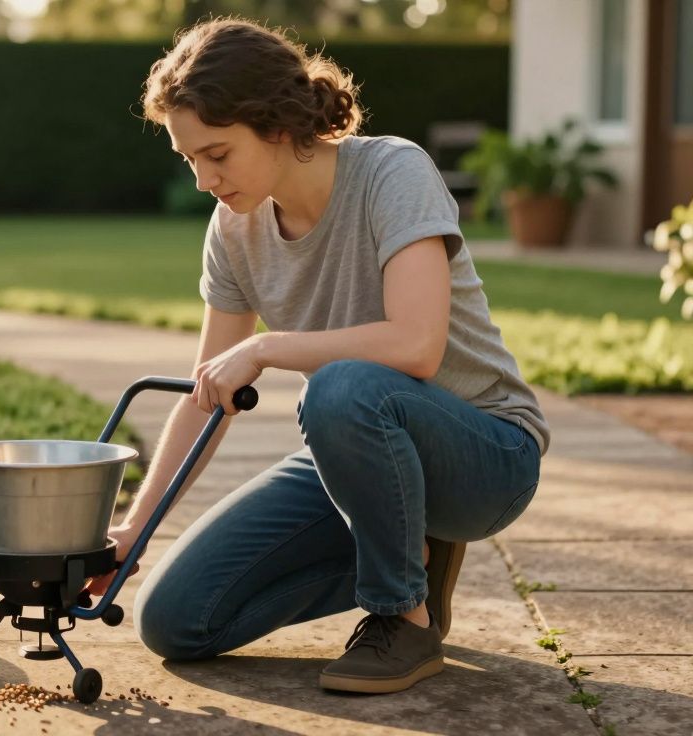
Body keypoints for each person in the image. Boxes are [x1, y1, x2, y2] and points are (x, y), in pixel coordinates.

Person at [85, 17, 548, 694]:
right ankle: (412, 551)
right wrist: (136, 527)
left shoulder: (393, 171)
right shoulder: (235, 229)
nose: (204, 179)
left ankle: (403, 615)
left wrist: (269, 348)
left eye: (217, 154)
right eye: (190, 160)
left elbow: (416, 346)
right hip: (358, 448)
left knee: (337, 388)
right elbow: (206, 392)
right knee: (176, 621)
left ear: (276, 125)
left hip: (485, 453)